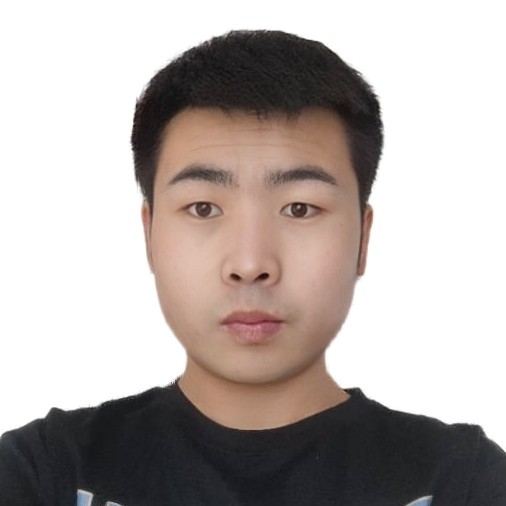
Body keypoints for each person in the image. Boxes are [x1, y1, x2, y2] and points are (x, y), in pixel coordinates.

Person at [0, 29, 504, 506]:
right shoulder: (49, 473)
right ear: (150, 235)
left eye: (300, 208)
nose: (250, 264)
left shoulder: (457, 482)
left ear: (362, 239)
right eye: (203, 208)